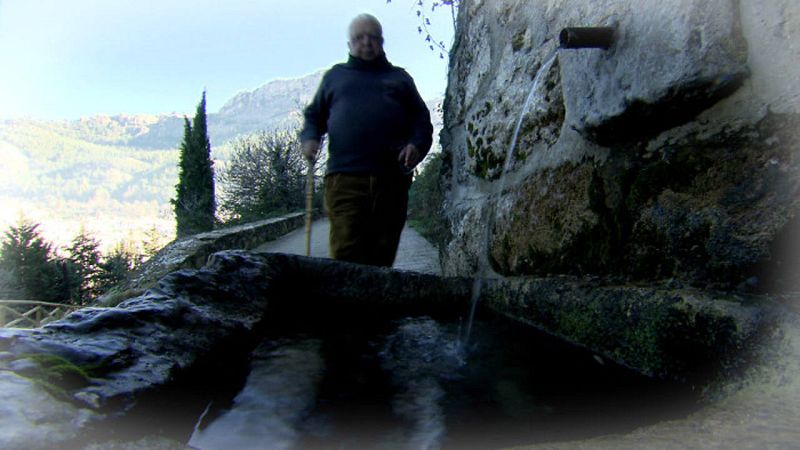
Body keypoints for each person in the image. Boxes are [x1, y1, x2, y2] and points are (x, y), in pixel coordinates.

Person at [300, 13, 434, 267]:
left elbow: (421, 122)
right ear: (349, 44)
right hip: (344, 180)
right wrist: (310, 138)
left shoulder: (400, 79)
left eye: (373, 37)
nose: (366, 43)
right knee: (346, 252)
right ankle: (348, 307)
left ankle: (376, 307)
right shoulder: (335, 77)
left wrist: (416, 146)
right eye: (359, 38)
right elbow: (314, 116)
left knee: (383, 253)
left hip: (391, 181)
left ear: (382, 42)